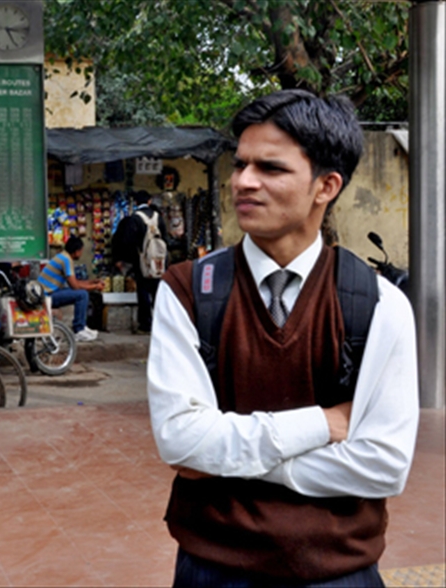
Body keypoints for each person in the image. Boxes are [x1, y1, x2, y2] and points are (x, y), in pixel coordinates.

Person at [147, 90, 419, 586]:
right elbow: (182, 442)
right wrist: (322, 423)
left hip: (340, 573)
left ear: (326, 186)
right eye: (241, 164)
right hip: (214, 569)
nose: (243, 182)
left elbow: (383, 466)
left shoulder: (378, 304)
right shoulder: (188, 292)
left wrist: (227, 460)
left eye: (270, 168)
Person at [111, 190, 168, 333]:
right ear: (149, 201)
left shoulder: (134, 219)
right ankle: (161, 324)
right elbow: (165, 239)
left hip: (141, 260)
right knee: (158, 291)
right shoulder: (158, 217)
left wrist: (130, 259)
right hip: (159, 260)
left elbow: (127, 241)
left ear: (136, 203)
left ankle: (146, 325)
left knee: (143, 291)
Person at [37, 236, 104, 342]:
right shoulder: (66, 260)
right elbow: (75, 286)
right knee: (82, 295)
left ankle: (82, 326)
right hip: (47, 296)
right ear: (76, 251)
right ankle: (79, 329)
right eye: (81, 251)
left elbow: (76, 282)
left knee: (82, 293)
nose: (81, 254)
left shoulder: (63, 257)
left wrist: (92, 282)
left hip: (50, 293)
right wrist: (95, 287)